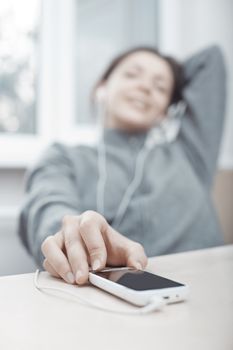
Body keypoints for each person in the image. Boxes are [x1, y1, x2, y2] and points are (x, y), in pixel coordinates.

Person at [18, 45, 226, 286]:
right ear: (101, 88)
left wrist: (174, 75)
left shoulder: (191, 153)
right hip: (107, 307)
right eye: (132, 74)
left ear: (166, 111)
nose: (146, 87)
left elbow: (211, 60)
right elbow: (46, 205)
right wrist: (69, 235)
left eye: (160, 87)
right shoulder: (63, 157)